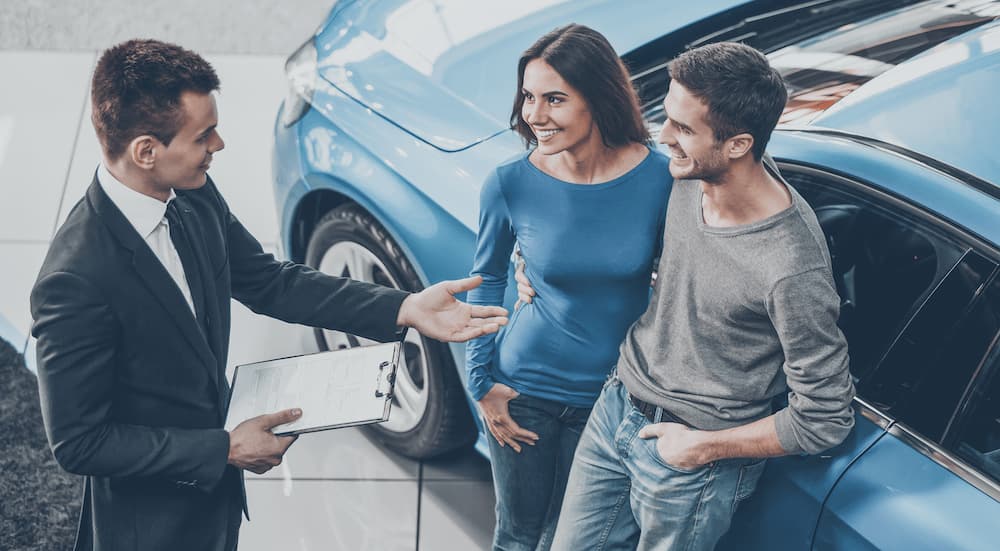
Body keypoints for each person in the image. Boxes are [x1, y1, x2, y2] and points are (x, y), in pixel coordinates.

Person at [30, 39, 507, 551]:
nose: (219, 145)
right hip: (149, 527)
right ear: (146, 151)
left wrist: (403, 306)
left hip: (216, 501)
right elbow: (79, 442)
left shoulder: (191, 194)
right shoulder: (74, 281)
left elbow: (269, 281)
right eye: (203, 135)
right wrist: (223, 449)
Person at [516, 42, 856, 550]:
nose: (663, 137)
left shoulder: (790, 268)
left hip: (690, 462)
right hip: (616, 406)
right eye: (667, 118)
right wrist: (533, 269)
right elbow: (608, 234)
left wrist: (702, 449)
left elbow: (825, 418)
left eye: (683, 129)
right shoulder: (688, 178)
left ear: (739, 145)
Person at [465, 24, 672, 551]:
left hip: (610, 398)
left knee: (573, 540)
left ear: (598, 98)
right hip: (522, 387)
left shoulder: (662, 180)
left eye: (554, 99)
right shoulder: (509, 182)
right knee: (516, 535)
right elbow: (485, 281)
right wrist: (481, 383)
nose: (534, 115)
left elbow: (682, 281)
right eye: (528, 97)